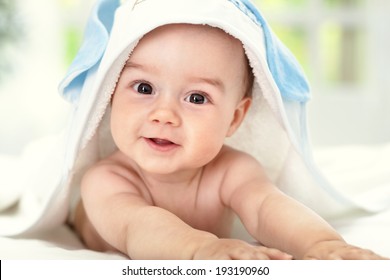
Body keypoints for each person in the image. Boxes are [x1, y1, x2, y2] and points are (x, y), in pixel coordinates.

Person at [71, 22, 386, 260]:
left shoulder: (231, 170)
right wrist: (201, 249)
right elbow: (138, 226)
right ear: (110, 93)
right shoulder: (105, 180)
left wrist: (322, 245)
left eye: (196, 97)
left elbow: (266, 206)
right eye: (143, 88)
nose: (164, 114)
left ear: (234, 118)